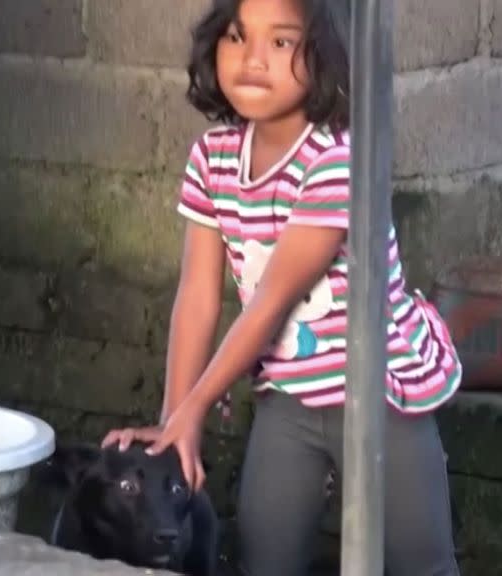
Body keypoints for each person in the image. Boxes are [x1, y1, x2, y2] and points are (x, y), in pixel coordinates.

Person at [100, 0, 463, 574]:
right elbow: (197, 294)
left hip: (377, 392)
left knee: (421, 562)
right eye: (237, 37)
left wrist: (196, 408)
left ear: (325, 55)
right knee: (263, 555)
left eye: (281, 42)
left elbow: (271, 300)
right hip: (288, 400)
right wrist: (174, 419)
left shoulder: (338, 160)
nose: (252, 60)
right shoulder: (213, 158)